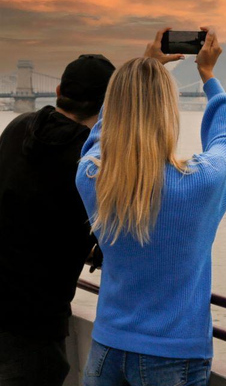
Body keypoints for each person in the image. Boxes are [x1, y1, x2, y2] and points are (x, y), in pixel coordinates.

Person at [75, 29, 226, 386]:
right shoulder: (199, 181)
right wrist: (209, 76)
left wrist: (142, 70)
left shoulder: (91, 176)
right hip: (172, 358)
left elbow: (98, 138)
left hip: (106, 348)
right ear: (169, 111)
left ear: (114, 109)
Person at [0, 54, 115, 386]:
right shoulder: (89, 162)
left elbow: (29, 210)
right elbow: (114, 241)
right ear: (109, 105)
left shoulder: (17, 128)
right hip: (35, 324)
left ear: (58, 89)